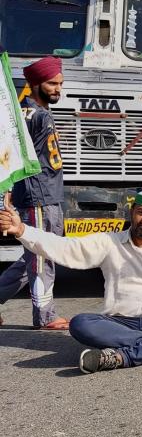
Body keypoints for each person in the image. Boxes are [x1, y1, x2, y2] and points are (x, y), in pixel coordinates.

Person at [0, 153, 142, 374]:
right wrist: (22, 230)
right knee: (81, 324)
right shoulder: (109, 242)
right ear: (131, 212)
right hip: (119, 324)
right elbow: (65, 248)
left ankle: (122, 356)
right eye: (141, 212)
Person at [0, 56, 68, 330]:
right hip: (38, 197)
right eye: (52, 83)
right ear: (35, 84)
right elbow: (11, 154)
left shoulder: (35, 114)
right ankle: (45, 316)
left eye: (60, 83)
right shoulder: (32, 116)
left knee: (35, 255)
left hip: (49, 195)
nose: (57, 89)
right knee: (42, 257)